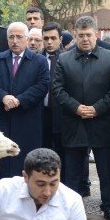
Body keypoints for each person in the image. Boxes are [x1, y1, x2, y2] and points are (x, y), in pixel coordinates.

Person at [52, 16, 110, 220]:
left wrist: (96, 109)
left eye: (88, 35)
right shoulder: (64, 59)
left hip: (102, 121)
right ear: (75, 35)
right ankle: (72, 211)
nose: (84, 39)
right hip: (74, 122)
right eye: (80, 35)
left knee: (106, 170)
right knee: (72, 171)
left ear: (96, 34)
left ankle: (109, 207)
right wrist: (76, 108)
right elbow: (57, 89)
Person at [0, 22, 49, 178]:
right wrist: (3, 97)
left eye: (19, 37)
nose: (15, 41)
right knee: (1, 161)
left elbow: (42, 86)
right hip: (2, 118)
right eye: (11, 37)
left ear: (27, 39)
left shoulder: (39, 61)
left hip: (27, 119)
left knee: (25, 161)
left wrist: (19, 100)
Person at [41, 22, 65, 171]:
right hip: (41, 113)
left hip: (62, 113)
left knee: (62, 152)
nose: (49, 42)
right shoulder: (36, 59)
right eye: (46, 38)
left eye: (53, 38)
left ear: (60, 39)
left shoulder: (67, 58)